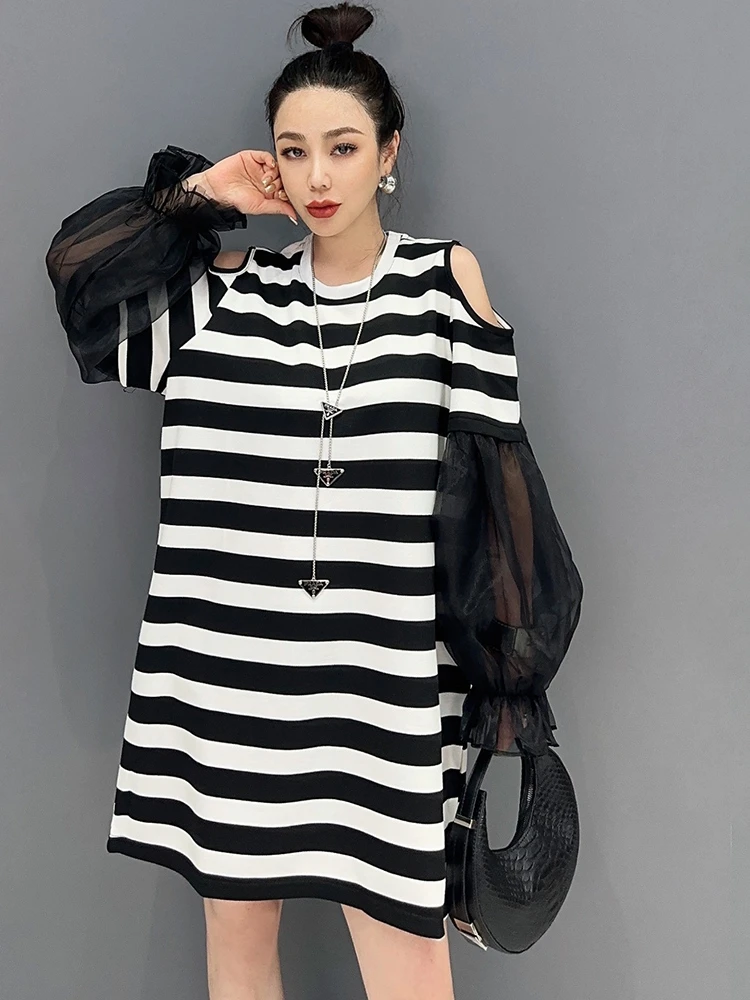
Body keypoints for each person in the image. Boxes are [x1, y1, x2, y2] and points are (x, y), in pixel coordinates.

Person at [45, 3, 583, 998]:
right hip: (225, 680)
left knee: (409, 963)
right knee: (239, 948)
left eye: (343, 146)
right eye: (294, 151)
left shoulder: (443, 285)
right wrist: (202, 195)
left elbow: (496, 513)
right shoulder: (218, 300)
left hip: (382, 687)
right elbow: (81, 282)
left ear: (389, 152)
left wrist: (502, 686)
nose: (318, 176)